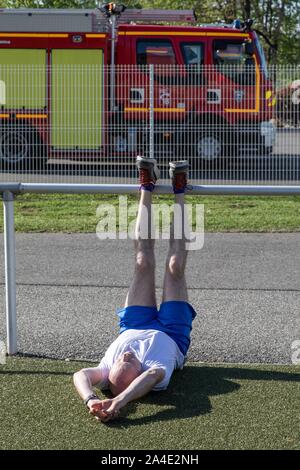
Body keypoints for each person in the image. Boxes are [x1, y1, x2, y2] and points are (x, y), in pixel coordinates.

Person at [73, 157, 197, 422]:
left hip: (134, 323)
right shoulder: (155, 373)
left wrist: (92, 399)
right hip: (172, 334)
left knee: (143, 262)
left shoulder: (107, 371)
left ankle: (146, 185)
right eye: (129, 362)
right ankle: (179, 192)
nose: (126, 356)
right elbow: (151, 377)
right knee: (174, 266)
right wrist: (120, 401)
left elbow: (81, 375)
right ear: (138, 372)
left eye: (122, 361)